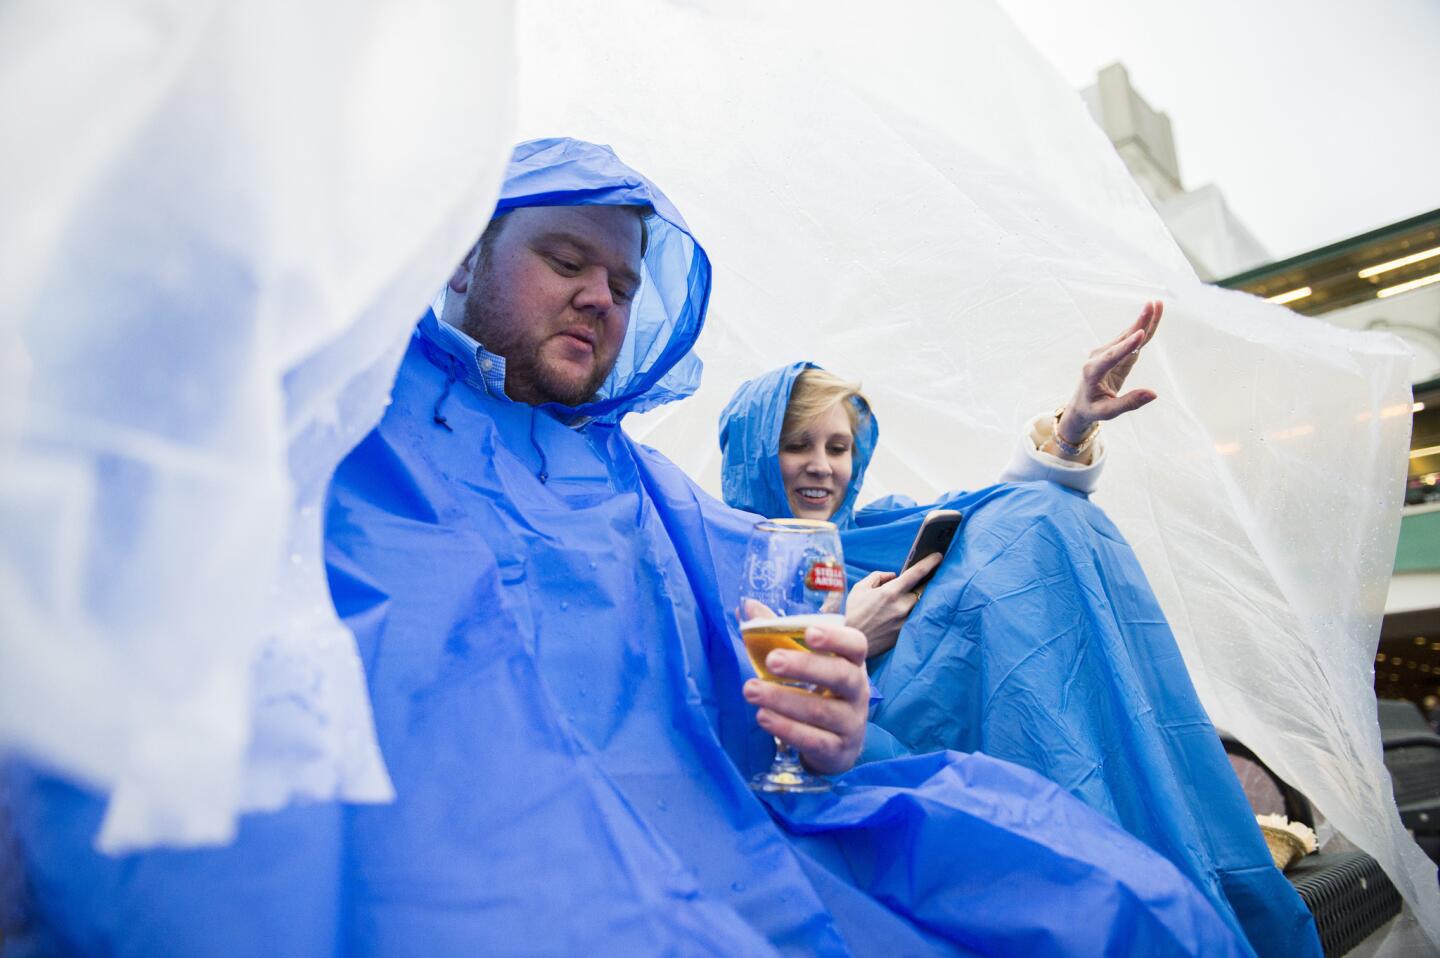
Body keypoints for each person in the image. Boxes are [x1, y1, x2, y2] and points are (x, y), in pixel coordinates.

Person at [4, 139, 1255, 957]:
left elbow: (799, 653)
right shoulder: (345, 416)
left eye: (625, 275)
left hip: (738, 847)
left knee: (1113, 901)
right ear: (463, 259)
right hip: (472, 879)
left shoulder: (651, 488)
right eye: (565, 258)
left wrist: (827, 710)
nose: (603, 295)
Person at [717, 360, 1323, 958]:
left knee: (1045, 520)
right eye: (798, 445)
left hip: (962, 731)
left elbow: (1000, 506)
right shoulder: (715, 555)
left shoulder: (884, 524)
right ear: (755, 455)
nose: (822, 465)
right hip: (850, 765)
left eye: (839, 445)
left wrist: (1072, 429)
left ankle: (1114, 853)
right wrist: (853, 635)